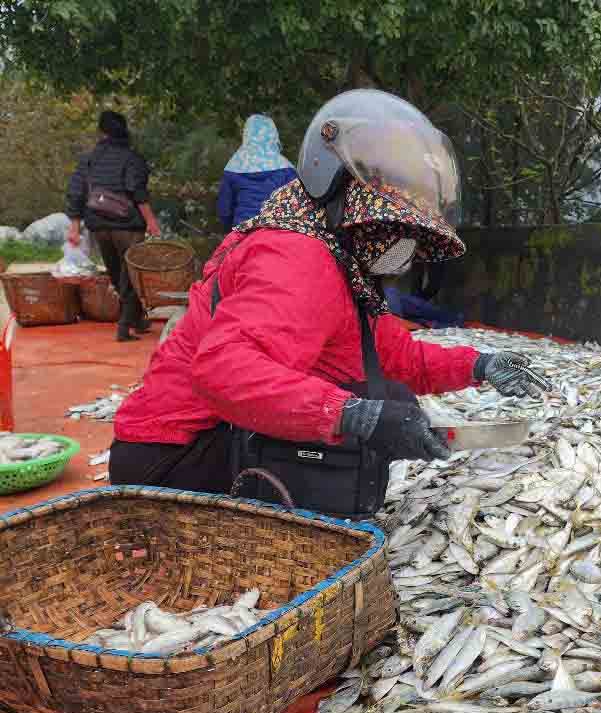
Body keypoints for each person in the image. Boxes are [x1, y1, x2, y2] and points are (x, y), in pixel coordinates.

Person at [109, 89, 546, 504]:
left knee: (390, 398)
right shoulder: (299, 257)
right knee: (380, 411)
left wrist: (479, 365)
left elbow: (395, 357)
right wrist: (353, 415)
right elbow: (222, 370)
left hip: (198, 441)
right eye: (392, 227)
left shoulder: (341, 260)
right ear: (343, 199)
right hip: (171, 457)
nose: (403, 248)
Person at [65, 110, 162, 341]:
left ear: (102, 131)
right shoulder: (131, 158)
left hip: (98, 224)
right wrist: (151, 221)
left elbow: (76, 192)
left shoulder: (88, 160)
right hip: (128, 225)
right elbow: (138, 192)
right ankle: (125, 325)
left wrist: (75, 227)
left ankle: (136, 320)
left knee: (117, 274)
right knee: (130, 274)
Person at [216, 114, 298, 230]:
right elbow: (297, 208)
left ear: (246, 135)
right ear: (274, 136)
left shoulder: (233, 167)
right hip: (277, 233)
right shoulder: (287, 169)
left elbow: (224, 211)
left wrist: (231, 229)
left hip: (243, 231)